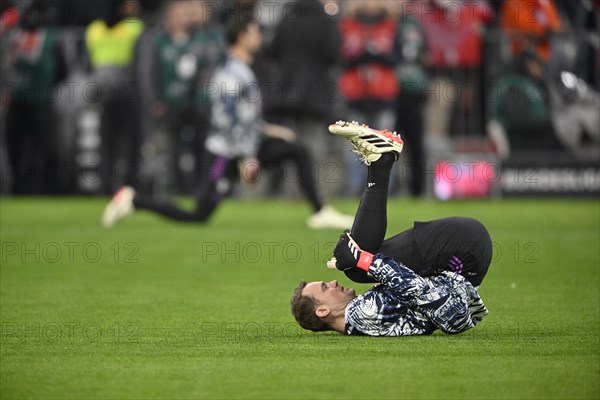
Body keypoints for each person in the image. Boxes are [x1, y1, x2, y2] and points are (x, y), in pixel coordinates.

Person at [101, 16, 353, 230]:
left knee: (297, 151)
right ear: (242, 37)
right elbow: (227, 121)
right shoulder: (231, 75)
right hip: (226, 156)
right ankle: (134, 199)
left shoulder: (241, 70)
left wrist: (270, 131)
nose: (259, 38)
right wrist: (246, 157)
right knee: (198, 215)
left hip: (243, 149)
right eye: (255, 33)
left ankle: (319, 211)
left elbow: (245, 117)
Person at [291, 121, 492, 336]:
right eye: (325, 288)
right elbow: (419, 290)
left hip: (465, 258)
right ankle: (380, 161)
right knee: (357, 268)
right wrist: (362, 260)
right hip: (462, 249)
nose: (332, 283)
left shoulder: (361, 321)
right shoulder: (360, 314)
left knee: (357, 263)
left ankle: (380, 161)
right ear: (323, 310)